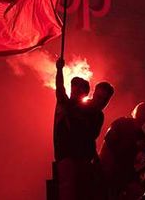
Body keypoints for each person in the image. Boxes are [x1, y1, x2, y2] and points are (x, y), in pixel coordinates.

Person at [54, 57, 92, 200]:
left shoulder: (86, 111)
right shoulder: (65, 104)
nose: (74, 91)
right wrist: (59, 70)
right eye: (74, 87)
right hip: (65, 153)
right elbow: (59, 87)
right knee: (68, 189)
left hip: (79, 156)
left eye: (78, 89)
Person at [98, 102, 145, 200]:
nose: (142, 115)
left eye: (144, 112)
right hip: (111, 171)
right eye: (141, 111)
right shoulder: (121, 124)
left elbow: (139, 160)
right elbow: (109, 144)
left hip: (123, 175)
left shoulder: (140, 136)